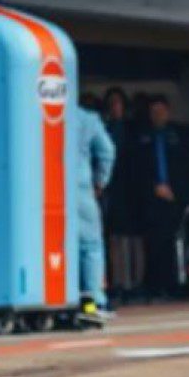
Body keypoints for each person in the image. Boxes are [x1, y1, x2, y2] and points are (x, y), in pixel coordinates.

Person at [131, 96, 189, 299]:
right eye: (154, 112)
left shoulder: (178, 135)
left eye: (161, 111)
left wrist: (180, 193)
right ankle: (155, 287)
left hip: (175, 198)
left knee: (174, 244)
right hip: (151, 199)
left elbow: (187, 167)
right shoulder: (142, 137)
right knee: (153, 245)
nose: (158, 115)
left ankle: (175, 285)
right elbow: (135, 171)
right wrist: (153, 187)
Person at [72, 92, 117, 314]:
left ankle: (64, 299)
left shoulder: (36, 116)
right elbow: (107, 150)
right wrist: (100, 181)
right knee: (89, 246)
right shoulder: (87, 119)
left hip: (44, 191)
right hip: (80, 189)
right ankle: (94, 303)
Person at [99, 87, 144, 296]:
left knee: (135, 237)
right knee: (115, 237)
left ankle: (136, 282)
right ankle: (118, 282)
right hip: (112, 188)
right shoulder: (104, 128)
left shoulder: (134, 130)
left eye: (119, 102)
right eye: (112, 103)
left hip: (133, 187)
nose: (115, 107)